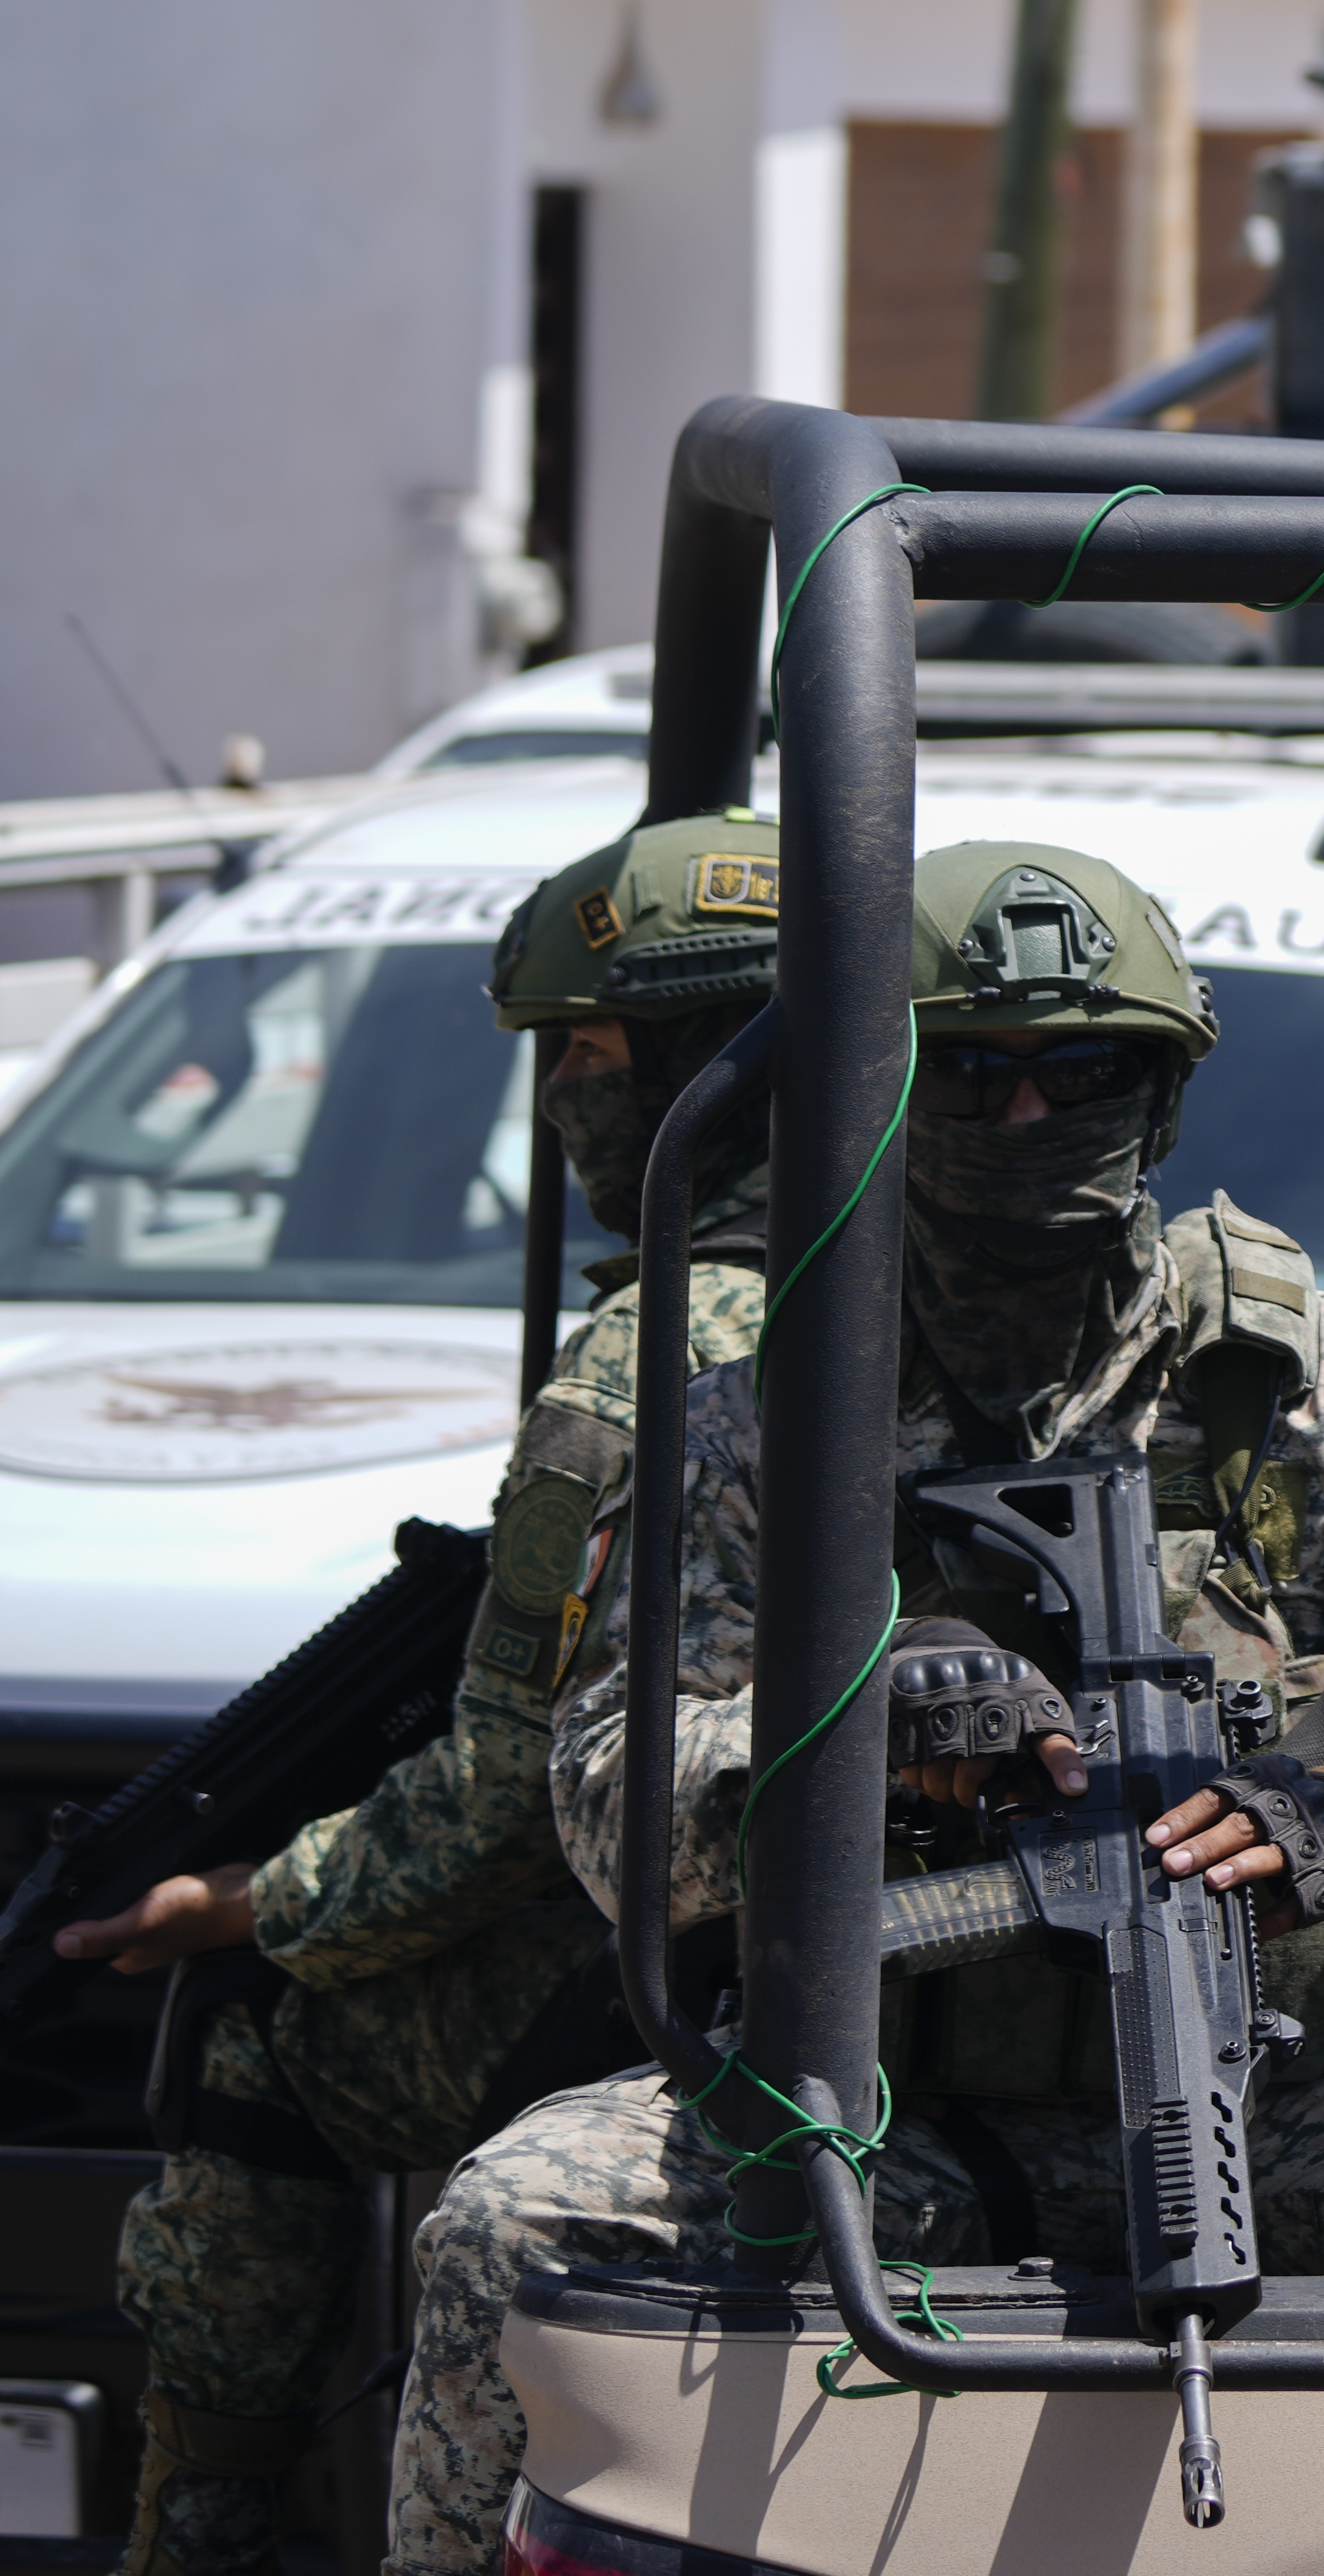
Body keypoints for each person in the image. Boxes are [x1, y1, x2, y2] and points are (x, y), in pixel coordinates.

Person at [386, 843, 1324, 2570]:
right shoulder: (756, 1420)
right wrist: (843, 1731)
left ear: (1165, 1083)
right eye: (971, 1071)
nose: (1030, 1109)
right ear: (883, 1089)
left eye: (1083, 1069)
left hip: (1273, 2088)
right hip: (873, 2098)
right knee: (505, 2221)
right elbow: (605, 1794)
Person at [54, 814, 784, 2576]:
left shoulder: (654, 1343)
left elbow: (503, 1796)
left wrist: (261, 1902)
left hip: (721, 1971)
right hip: (870, 1929)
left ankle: (209, 2527)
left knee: (262, 2039)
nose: (566, 1104)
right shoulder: (965, 1274)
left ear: (708, 1061)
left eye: (593, 1053)